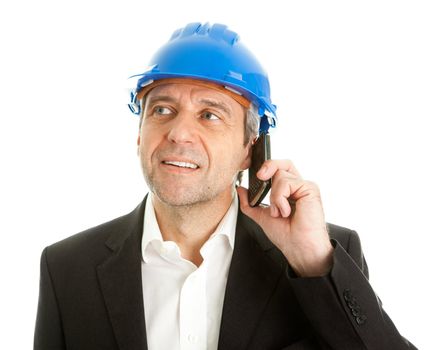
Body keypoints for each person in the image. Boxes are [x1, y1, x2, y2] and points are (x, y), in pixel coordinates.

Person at [34, 22, 416, 350]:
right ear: (139, 133)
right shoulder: (68, 269)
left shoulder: (320, 258)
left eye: (210, 115)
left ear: (251, 149)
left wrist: (314, 263)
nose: (179, 133)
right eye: (162, 110)